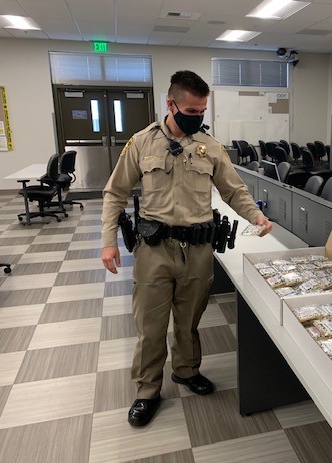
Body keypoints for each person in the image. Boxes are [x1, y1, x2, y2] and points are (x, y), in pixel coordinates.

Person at [101, 70, 273, 427]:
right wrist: (107, 242)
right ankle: (147, 390)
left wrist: (256, 216)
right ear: (171, 104)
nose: (197, 117)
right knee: (150, 326)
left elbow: (234, 190)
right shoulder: (142, 142)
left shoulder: (209, 146)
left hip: (197, 249)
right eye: (191, 111)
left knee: (189, 321)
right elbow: (115, 192)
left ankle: (186, 369)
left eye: (202, 111)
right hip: (154, 249)